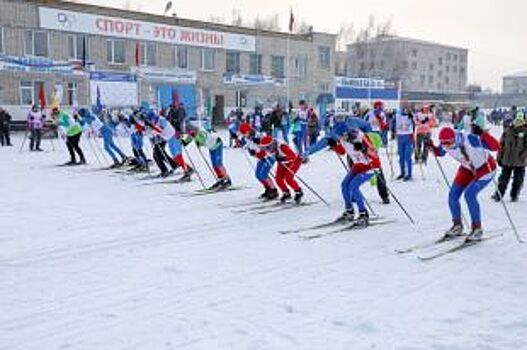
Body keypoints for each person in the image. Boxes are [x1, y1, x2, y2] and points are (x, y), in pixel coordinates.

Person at [426, 120, 500, 242]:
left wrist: (482, 134)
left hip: (485, 168)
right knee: (452, 196)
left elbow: (496, 147)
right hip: (468, 168)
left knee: (469, 195)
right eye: (443, 143)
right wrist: (431, 146)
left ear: (454, 138)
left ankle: (477, 229)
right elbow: (439, 152)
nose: (446, 146)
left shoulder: (470, 139)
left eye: (448, 143)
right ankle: (457, 226)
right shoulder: (446, 142)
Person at [328, 128, 381, 226]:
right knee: (344, 185)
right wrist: (335, 145)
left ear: (347, 132)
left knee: (353, 187)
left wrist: (364, 149)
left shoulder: (360, 137)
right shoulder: (342, 139)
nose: (341, 138)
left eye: (342, 135)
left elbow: (374, 153)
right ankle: (349, 211)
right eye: (339, 136)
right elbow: (343, 152)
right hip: (358, 165)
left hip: (371, 166)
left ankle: (363, 213)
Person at [492, 112, 527, 202]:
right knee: (503, 179)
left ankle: (514, 195)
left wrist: (523, 156)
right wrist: (499, 157)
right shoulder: (507, 131)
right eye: (517, 119)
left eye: (521, 119)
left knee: (518, 180)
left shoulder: (525, 131)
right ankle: (498, 194)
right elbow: (501, 145)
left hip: (520, 161)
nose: (519, 121)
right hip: (507, 160)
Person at [239, 122, 278, 200]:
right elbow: (250, 145)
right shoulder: (247, 137)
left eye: (244, 133)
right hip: (260, 157)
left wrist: (259, 145)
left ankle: (273, 190)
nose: (243, 135)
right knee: (258, 175)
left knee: (263, 174)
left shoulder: (258, 135)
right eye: (243, 133)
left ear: (248, 130)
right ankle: (268, 188)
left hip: (268, 157)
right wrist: (250, 150)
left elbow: (267, 145)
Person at [260, 135, 303, 203]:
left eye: (267, 147)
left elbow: (293, 156)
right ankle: (286, 192)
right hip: (282, 162)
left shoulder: (282, 146)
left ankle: (298, 191)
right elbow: (262, 154)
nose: (266, 149)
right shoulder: (270, 148)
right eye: (264, 148)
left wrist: (283, 159)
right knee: (278, 178)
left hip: (295, 161)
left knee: (288, 178)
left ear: (272, 144)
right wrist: (256, 155)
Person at [392, 108, 415, 181]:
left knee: (407, 156)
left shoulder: (411, 116)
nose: (405, 111)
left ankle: (409, 174)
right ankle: (402, 172)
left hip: (408, 137)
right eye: (404, 110)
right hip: (400, 137)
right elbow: (392, 124)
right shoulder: (397, 116)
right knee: (401, 156)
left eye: (406, 110)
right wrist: (392, 129)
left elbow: (415, 124)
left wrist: (412, 119)